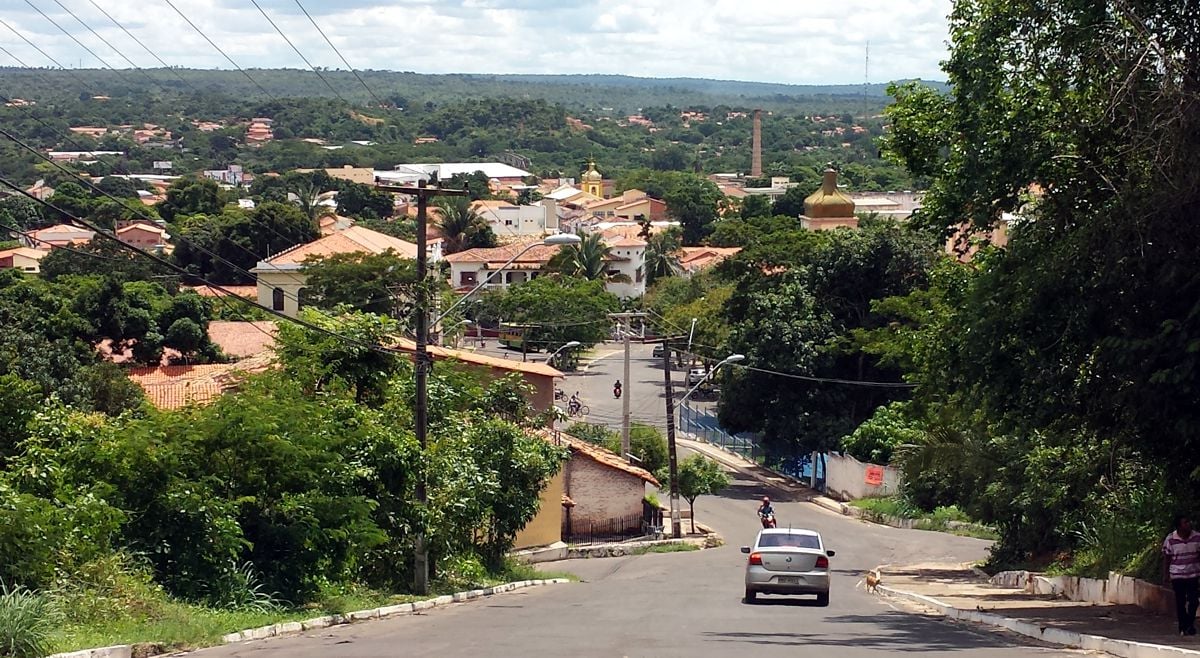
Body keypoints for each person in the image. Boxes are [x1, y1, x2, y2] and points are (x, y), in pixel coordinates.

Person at [1164, 514, 1200, 635]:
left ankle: (1189, 623)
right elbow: (1167, 558)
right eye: (1185, 522)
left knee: (1194, 601)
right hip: (1177, 575)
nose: (1188, 524)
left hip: (1193, 574)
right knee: (1180, 601)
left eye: (1188, 522)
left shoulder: (1197, 537)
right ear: (1179, 526)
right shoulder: (1171, 539)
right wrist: (1166, 574)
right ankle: (1183, 625)